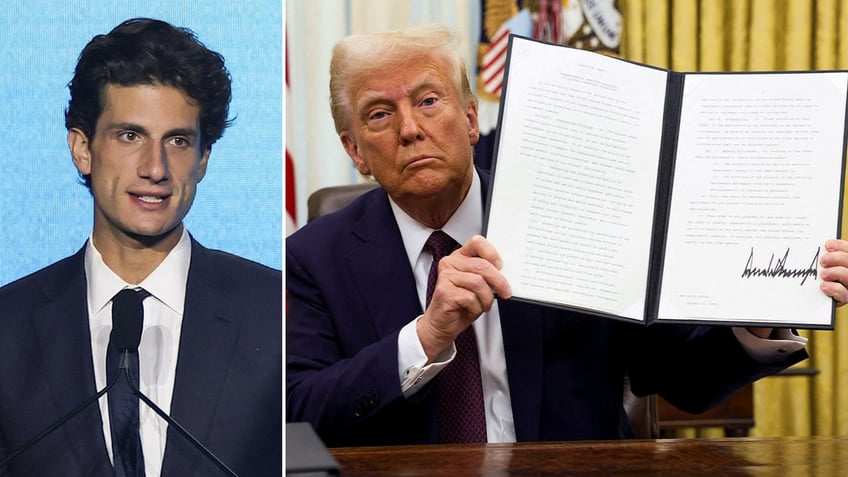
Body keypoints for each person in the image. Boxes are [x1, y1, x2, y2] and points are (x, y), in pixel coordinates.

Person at [286, 24, 848, 447]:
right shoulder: (313, 257)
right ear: (355, 149)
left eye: (429, 101)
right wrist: (428, 336)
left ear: (470, 116)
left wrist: (764, 305)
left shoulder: (573, 214)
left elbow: (682, 379)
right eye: (380, 114)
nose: (410, 129)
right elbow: (299, 414)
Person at [0, 18, 281, 476]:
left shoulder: (274, 311)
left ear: (203, 160)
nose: (156, 168)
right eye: (130, 136)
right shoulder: (8, 327)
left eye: (178, 140)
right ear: (82, 149)